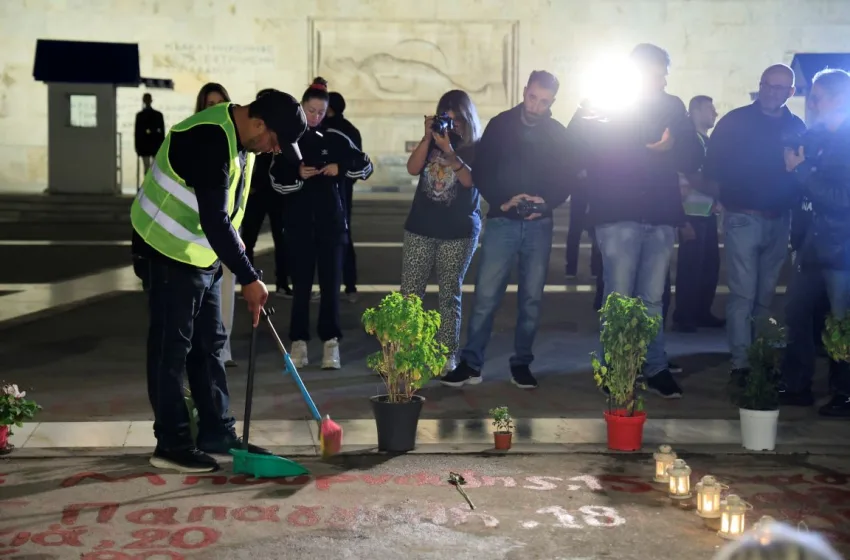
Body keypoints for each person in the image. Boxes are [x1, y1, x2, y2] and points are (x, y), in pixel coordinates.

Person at [130, 88, 308, 473]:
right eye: (275, 142)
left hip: (199, 254)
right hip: (165, 248)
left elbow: (225, 213)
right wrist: (249, 278)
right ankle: (172, 443)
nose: (275, 150)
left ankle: (216, 431)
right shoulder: (211, 138)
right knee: (170, 351)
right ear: (259, 124)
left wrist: (238, 261)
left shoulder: (243, 139)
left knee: (209, 345)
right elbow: (214, 218)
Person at [572, 44, 704, 398]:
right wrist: (640, 146)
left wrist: (672, 145)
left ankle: (655, 365)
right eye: (657, 70)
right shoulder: (608, 101)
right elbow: (578, 142)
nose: (662, 78)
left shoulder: (672, 106)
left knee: (652, 298)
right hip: (617, 214)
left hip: (660, 214)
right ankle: (614, 367)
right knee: (618, 295)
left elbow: (694, 155)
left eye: (664, 71)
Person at [441, 70, 573, 390]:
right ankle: (472, 364)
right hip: (502, 222)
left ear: (552, 101)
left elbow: (566, 178)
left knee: (531, 299)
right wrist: (503, 202)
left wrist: (546, 202)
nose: (536, 106)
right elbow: (482, 171)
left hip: (539, 225)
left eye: (544, 101)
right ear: (525, 90)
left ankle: (522, 363)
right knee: (486, 296)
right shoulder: (500, 125)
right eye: (533, 97)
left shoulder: (557, 133)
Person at [704, 64, 806, 380]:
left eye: (780, 88)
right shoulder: (735, 121)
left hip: (780, 218)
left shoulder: (796, 125)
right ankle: (741, 363)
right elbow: (713, 166)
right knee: (743, 294)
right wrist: (721, 197)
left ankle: (758, 356)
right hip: (743, 216)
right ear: (759, 85)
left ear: (791, 92)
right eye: (767, 85)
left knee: (764, 296)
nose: (772, 92)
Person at [270, 77, 373, 370]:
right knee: (301, 287)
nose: (314, 116)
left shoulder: (337, 139)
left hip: (332, 227)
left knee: (330, 287)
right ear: (301, 108)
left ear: (327, 111)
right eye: (310, 110)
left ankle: (331, 343)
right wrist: (298, 175)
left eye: (319, 111)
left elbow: (366, 165)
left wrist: (342, 167)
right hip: (299, 228)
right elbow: (276, 182)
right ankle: (298, 343)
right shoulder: (287, 144)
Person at [782, 68, 850, 417]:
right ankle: (796, 386)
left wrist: (802, 170)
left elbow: (842, 198)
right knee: (797, 312)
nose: (812, 103)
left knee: (841, 322)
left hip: (841, 247)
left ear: (838, 97)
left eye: (818, 97)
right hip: (812, 243)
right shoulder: (819, 136)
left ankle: (844, 392)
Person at [402, 90, 482, 373]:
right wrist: (428, 139)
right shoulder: (432, 141)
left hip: (458, 232)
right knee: (410, 294)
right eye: (445, 119)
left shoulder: (476, 146)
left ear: (467, 118)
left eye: (457, 119)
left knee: (449, 295)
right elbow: (413, 168)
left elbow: (471, 181)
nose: (452, 126)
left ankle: (447, 354)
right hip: (420, 227)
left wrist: (450, 151)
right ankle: (406, 352)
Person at [191, 83, 239, 368]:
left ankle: (224, 345)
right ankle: (201, 345)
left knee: (225, 289)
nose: (217, 108)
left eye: (221, 102)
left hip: (228, 226)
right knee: (199, 290)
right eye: (210, 104)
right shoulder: (193, 136)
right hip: (197, 229)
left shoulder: (235, 142)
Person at [672, 94, 724, 332]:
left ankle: (702, 312)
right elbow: (687, 177)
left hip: (706, 212)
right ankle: (684, 316)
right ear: (695, 111)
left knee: (708, 267)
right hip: (691, 213)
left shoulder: (705, 140)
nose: (715, 113)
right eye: (710, 109)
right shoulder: (688, 141)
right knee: (691, 268)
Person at [240, 88, 294, 299]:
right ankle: (247, 281)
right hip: (256, 194)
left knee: (281, 241)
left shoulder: (277, 133)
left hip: (276, 195)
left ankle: (282, 282)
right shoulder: (254, 135)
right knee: (248, 240)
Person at [325, 91, 363, 302]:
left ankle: (329, 286)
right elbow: (358, 163)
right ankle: (350, 286)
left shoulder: (326, 130)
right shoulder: (351, 130)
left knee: (326, 242)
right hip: (344, 193)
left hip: (327, 192)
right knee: (344, 238)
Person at [134, 93, 165, 178]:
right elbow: (162, 133)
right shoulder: (158, 115)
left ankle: (149, 188)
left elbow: (137, 133)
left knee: (148, 169)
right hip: (154, 145)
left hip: (146, 145)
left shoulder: (140, 115)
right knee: (153, 169)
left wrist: (137, 147)